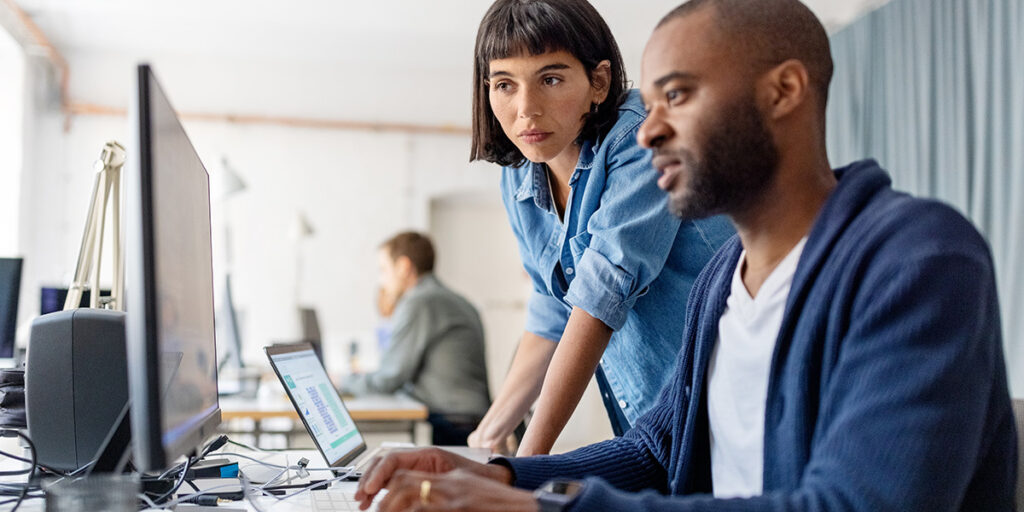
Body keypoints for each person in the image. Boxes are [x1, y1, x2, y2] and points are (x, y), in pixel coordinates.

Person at [353, 0, 1018, 510]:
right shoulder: (723, 282)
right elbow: (653, 449)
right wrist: (498, 474)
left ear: (783, 91)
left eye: (676, 95)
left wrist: (545, 506)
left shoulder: (918, 260)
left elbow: (851, 504)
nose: (647, 129)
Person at [467, 0, 734, 456]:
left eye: (550, 79)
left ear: (599, 82)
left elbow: (601, 293)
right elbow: (552, 311)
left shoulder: (641, 137)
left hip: (727, 405)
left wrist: (525, 464)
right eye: (505, 84)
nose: (525, 109)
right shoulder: (518, 174)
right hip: (654, 424)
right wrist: (488, 436)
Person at [340, 232, 490, 445]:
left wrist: (342, 381)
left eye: (383, 270)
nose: (381, 280)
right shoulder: (453, 298)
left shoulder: (420, 301)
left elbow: (389, 379)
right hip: (470, 419)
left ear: (403, 266)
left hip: (452, 424)